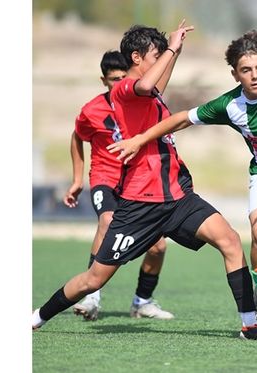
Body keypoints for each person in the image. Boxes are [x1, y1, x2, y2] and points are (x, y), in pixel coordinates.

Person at [33, 21, 257, 341]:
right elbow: (144, 86)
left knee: (230, 241)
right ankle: (37, 317)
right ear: (137, 58)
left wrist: (175, 51)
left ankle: (250, 324)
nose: (161, 62)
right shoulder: (125, 89)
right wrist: (170, 48)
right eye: (156, 57)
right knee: (93, 280)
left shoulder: (150, 94)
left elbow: (156, 84)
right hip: (141, 203)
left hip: (178, 198)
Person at [109, 30, 257, 341]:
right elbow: (183, 118)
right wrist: (141, 138)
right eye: (247, 70)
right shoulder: (230, 105)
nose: (256, 76)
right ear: (235, 74)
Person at [62, 50, 173, 321]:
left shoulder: (142, 101)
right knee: (107, 220)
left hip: (137, 181)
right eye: (114, 79)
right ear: (104, 80)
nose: (119, 82)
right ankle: (91, 297)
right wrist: (77, 180)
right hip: (105, 177)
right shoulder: (91, 110)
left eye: (124, 76)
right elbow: (77, 137)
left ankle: (142, 302)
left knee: (158, 246)